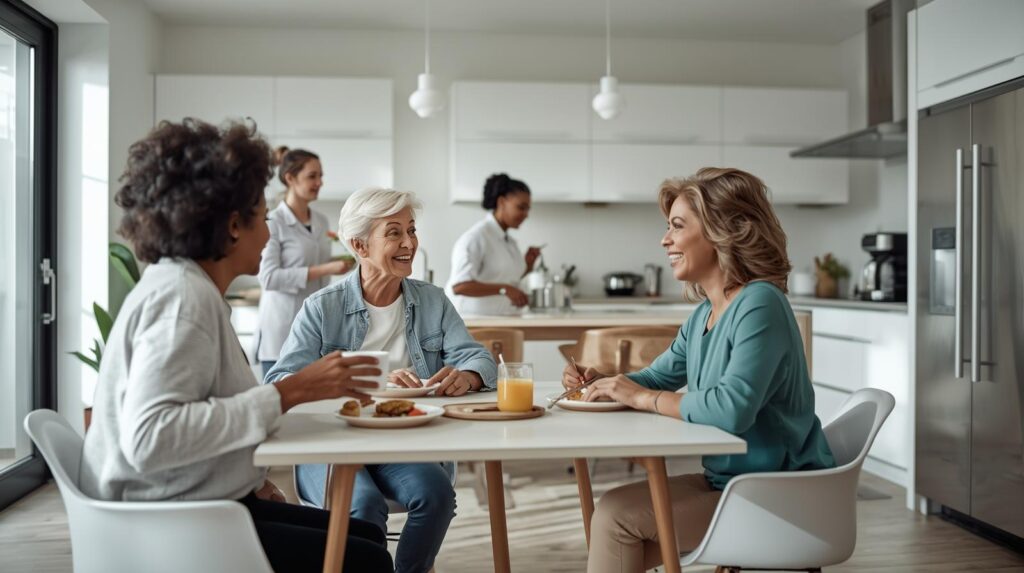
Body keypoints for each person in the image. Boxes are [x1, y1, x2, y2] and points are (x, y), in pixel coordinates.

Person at [78, 119, 393, 572]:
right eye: (262, 218)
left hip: (188, 498)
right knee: (368, 560)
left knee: (365, 536)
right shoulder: (183, 300)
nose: (267, 235)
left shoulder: (186, 286)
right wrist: (292, 391)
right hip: (168, 523)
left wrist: (249, 481)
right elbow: (152, 437)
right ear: (232, 226)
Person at [563, 168, 836, 573]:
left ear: (722, 231)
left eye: (677, 226)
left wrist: (641, 398)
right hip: (735, 485)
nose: (665, 239)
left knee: (616, 519)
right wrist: (603, 381)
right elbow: (655, 379)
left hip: (782, 497)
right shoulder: (705, 314)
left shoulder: (760, 303)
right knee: (615, 514)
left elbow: (731, 409)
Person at [266, 187, 496, 573]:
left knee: (436, 493)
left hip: (401, 440)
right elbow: (281, 379)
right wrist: (343, 380)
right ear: (359, 244)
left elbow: (478, 358)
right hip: (333, 441)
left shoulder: (433, 301)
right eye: (393, 233)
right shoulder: (322, 308)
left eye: (411, 230)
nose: (409, 243)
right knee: (363, 504)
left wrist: (468, 376)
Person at [256, 146, 352, 376]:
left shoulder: (320, 221)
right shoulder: (274, 222)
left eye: (321, 176)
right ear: (290, 178)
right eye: (312, 176)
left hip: (317, 329)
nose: (319, 182)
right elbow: (268, 278)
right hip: (282, 330)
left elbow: (317, 260)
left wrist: (345, 261)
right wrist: (326, 268)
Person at [445, 173, 542, 316]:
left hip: (503, 320)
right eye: (521, 207)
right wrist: (504, 289)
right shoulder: (476, 237)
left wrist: (528, 266)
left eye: (528, 209)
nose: (526, 214)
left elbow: (504, 278)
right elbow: (459, 286)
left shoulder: (509, 242)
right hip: (474, 324)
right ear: (501, 202)